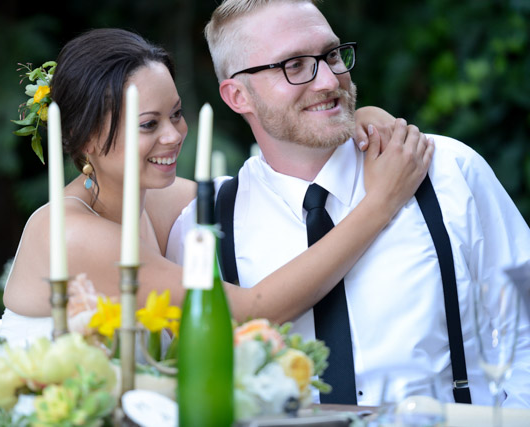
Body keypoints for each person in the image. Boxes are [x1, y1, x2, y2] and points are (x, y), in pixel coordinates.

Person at [0, 28, 433, 386]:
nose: (174, 136)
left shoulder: (147, 197)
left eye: (176, 115)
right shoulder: (72, 231)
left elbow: (265, 190)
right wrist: (380, 204)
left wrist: (355, 114)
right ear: (86, 137)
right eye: (148, 124)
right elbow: (250, 311)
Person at [179, 0, 530, 408]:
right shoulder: (206, 225)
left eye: (331, 55)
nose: (329, 81)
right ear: (238, 95)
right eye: (294, 65)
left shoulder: (446, 170)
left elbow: (524, 324)